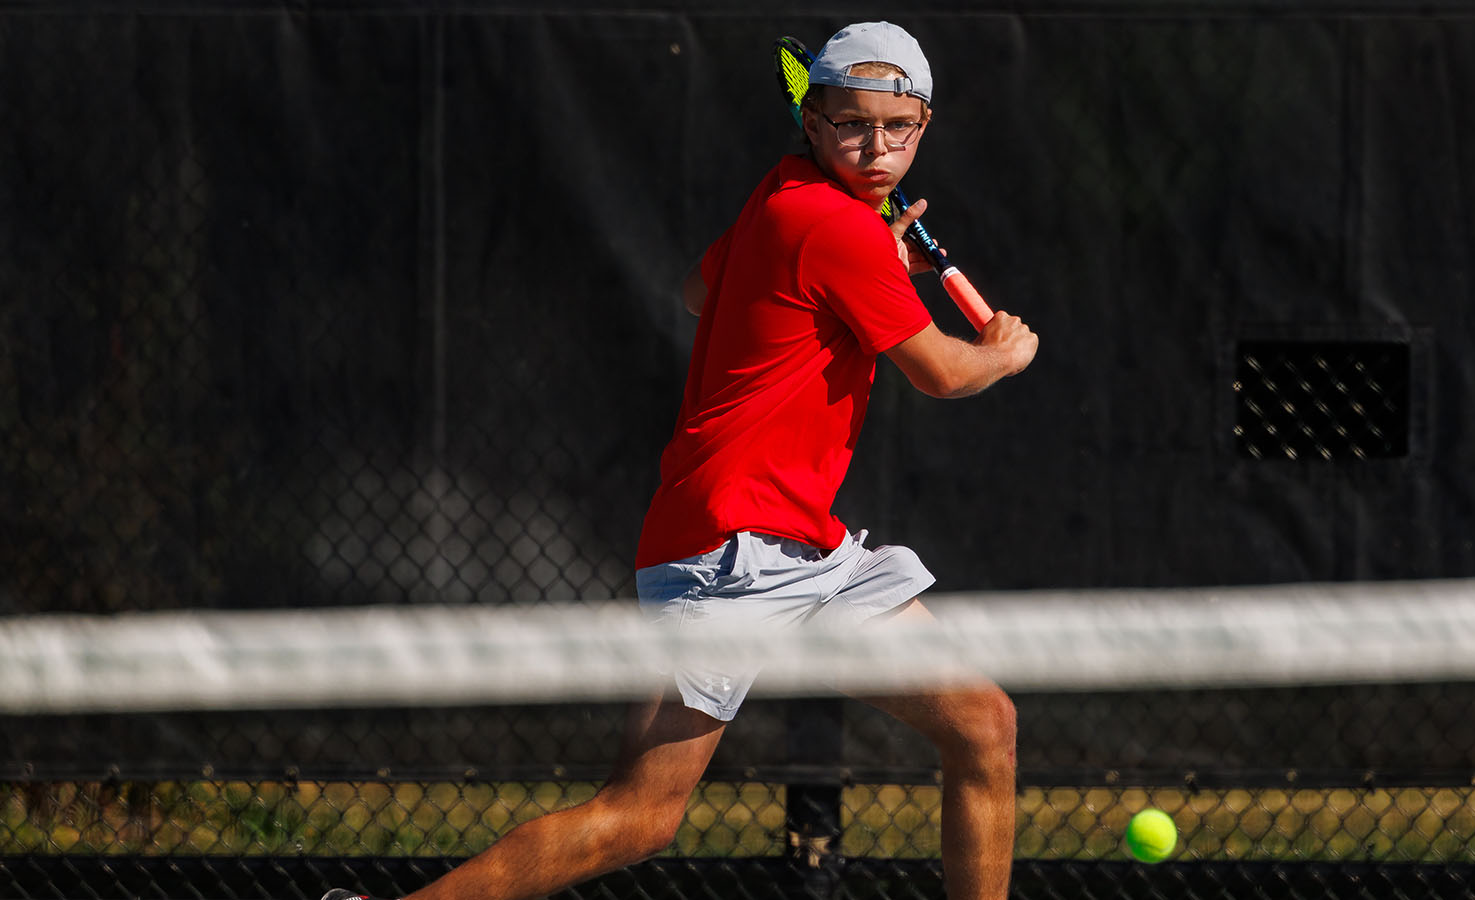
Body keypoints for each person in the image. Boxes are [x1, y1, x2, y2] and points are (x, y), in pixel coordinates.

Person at [323, 20, 1036, 900]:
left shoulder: (784, 196)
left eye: (899, 127)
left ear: (924, 125)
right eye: (852, 124)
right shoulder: (835, 226)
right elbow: (943, 372)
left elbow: (701, 291)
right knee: (639, 818)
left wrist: (867, 272)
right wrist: (1000, 351)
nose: (876, 148)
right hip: (727, 552)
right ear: (813, 121)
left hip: (805, 547)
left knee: (982, 725)